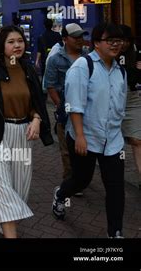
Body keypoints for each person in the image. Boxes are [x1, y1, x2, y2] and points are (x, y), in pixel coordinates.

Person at [0, 25, 53, 238]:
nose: (17, 45)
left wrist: (36, 118)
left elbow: (38, 102)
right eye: (11, 42)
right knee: (3, 188)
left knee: (20, 190)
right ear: (1, 45)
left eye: (20, 41)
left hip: (23, 134)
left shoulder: (29, 70)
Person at [52, 23, 127, 238]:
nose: (115, 44)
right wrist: (81, 136)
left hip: (112, 141)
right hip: (84, 137)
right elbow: (75, 105)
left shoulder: (120, 70)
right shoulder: (82, 67)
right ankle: (60, 194)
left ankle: (115, 232)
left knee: (115, 188)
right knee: (81, 180)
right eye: (110, 40)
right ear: (96, 43)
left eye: (118, 40)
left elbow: (119, 105)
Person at [43, 23, 88, 183]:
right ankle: (70, 179)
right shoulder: (55, 59)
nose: (79, 40)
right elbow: (50, 84)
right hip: (66, 110)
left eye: (81, 36)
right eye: (75, 37)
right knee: (67, 148)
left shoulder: (88, 57)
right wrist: (59, 105)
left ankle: (82, 177)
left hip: (87, 109)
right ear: (64, 39)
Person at [119, 25, 141, 189]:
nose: (123, 44)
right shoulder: (109, 53)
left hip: (133, 99)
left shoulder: (137, 51)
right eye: (120, 40)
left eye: (126, 40)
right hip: (112, 100)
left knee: (137, 140)